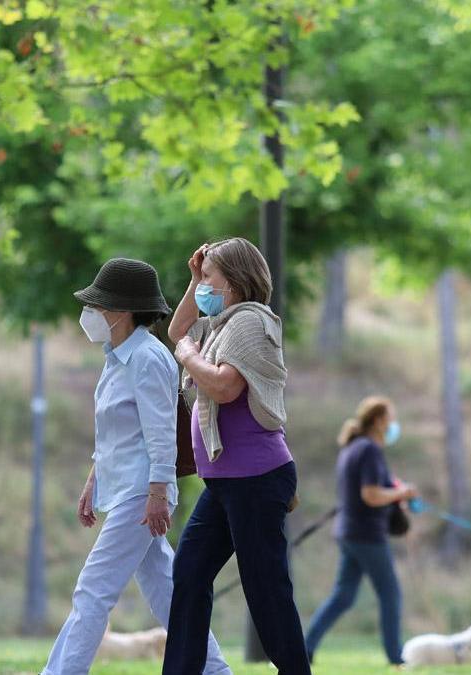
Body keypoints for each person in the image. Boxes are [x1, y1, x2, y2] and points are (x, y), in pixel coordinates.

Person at [42, 258, 230, 675]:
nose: (90, 314)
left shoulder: (148, 358)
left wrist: (158, 495)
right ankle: (216, 671)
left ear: (122, 311)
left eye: (98, 305)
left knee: (92, 591)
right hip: (128, 489)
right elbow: (117, 434)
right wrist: (94, 481)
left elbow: (160, 433)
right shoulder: (117, 358)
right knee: (167, 593)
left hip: (141, 495)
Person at [163, 238, 310, 675]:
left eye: (209, 277)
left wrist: (188, 355)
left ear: (233, 280)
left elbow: (225, 387)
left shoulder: (248, 323)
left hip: (257, 478)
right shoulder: (222, 323)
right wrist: (193, 280)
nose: (204, 284)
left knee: (266, 590)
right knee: (189, 575)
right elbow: (177, 330)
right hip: (226, 483)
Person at [303, 396, 417, 667]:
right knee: (390, 593)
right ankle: (395, 656)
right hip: (367, 534)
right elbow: (370, 494)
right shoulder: (369, 450)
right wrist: (403, 492)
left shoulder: (353, 447)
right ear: (378, 421)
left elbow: (369, 489)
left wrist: (394, 491)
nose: (393, 424)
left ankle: (304, 648)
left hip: (349, 532)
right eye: (391, 418)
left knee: (343, 597)